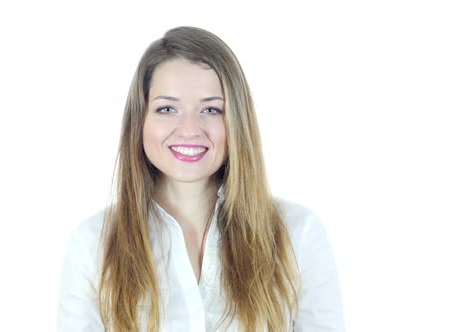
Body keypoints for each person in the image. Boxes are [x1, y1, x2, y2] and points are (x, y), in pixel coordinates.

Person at [57, 26, 345, 332]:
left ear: (237, 120)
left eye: (211, 109)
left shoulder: (299, 235)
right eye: (167, 108)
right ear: (140, 119)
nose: (189, 129)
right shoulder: (92, 244)